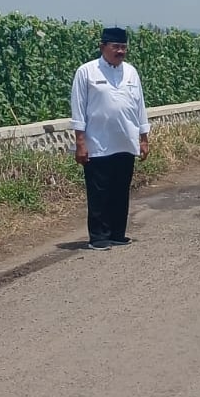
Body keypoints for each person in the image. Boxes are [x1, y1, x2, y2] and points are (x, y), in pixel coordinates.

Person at [70, 27, 151, 251]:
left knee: (120, 190)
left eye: (123, 47)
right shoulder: (87, 72)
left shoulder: (131, 73)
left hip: (126, 142)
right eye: (115, 47)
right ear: (102, 46)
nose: (120, 51)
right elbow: (78, 109)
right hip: (97, 144)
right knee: (99, 192)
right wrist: (80, 143)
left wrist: (143, 138)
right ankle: (99, 236)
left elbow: (140, 107)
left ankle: (117, 233)